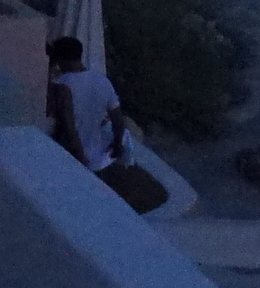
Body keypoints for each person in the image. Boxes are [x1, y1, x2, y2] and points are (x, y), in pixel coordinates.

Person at [48, 31, 170, 214]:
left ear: (61, 59)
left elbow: (69, 127)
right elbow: (118, 120)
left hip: (74, 155)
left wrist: (81, 158)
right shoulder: (102, 81)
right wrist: (118, 143)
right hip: (100, 156)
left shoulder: (62, 85)